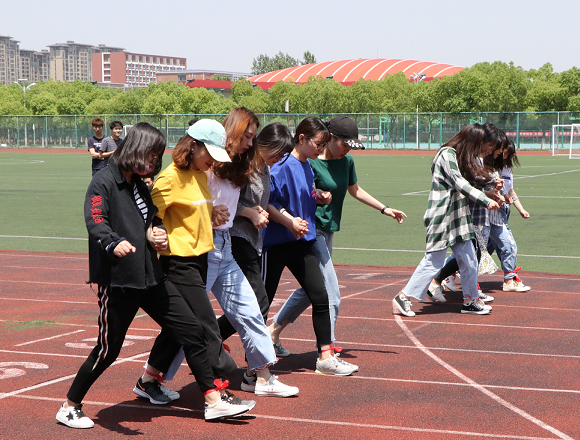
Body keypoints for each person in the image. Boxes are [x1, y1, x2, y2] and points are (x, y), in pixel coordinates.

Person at [56, 122, 252, 430]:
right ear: (136, 148)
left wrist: (155, 234)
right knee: (108, 351)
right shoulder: (103, 181)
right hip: (120, 281)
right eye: (151, 154)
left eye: (157, 156)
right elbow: (96, 220)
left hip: (151, 276)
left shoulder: (138, 184)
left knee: (192, 330)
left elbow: (151, 220)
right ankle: (70, 406)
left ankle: (213, 399)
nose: (154, 162)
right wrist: (113, 242)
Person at [159, 109, 299, 398]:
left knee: (250, 309)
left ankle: (262, 376)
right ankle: (154, 376)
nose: (250, 143)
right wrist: (214, 213)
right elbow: (190, 204)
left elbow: (225, 205)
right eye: (246, 136)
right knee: (188, 321)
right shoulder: (204, 165)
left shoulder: (238, 164)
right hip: (202, 248)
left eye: (253, 137)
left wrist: (245, 211)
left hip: (225, 247)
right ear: (232, 133)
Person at [268, 116, 407, 366]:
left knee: (311, 289)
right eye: (345, 144)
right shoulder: (309, 159)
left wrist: (384, 208)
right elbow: (293, 193)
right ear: (330, 138)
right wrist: (313, 198)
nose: (347, 150)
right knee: (330, 290)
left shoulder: (346, 161)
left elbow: (355, 190)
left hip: (328, 230)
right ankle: (327, 349)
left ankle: (273, 331)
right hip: (312, 232)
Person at [263, 117, 352, 375]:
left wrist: (318, 196)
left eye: (324, 144)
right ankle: (248, 361)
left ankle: (325, 357)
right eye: (318, 144)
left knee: (321, 296)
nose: (321, 149)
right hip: (276, 245)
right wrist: (289, 221)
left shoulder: (307, 165)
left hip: (303, 241)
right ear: (301, 138)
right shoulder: (280, 165)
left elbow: (304, 194)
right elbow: (268, 201)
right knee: (261, 304)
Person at [217, 121, 295, 390]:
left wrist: (260, 212)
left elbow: (258, 202)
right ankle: (255, 373)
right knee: (257, 302)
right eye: (278, 153)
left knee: (247, 306)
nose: (280, 159)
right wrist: (249, 212)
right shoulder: (243, 164)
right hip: (234, 238)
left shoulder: (265, 168)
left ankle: (209, 341)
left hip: (252, 240)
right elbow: (223, 200)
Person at [392, 123, 500, 317]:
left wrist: (489, 189)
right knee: (433, 261)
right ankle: (403, 296)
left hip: (459, 218)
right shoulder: (446, 154)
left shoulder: (461, 158)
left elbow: (468, 182)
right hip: (442, 217)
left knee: (469, 260)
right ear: (474, 142)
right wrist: (485, 199)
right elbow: (459, 183)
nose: (488, 150)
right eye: (487, 145)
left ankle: (470, 301)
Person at [491, 138, 531, 292]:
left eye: (508, 154)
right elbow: (494, 190)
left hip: (503, 210)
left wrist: (521, 209)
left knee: (482, 250)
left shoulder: (507, 169)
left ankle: (447, 274)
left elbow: (510, 191)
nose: (505, 156)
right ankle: (510, 278)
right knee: (509, 245)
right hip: (493, 211)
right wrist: (502, 196)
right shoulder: (492, 167)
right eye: (504, 153)